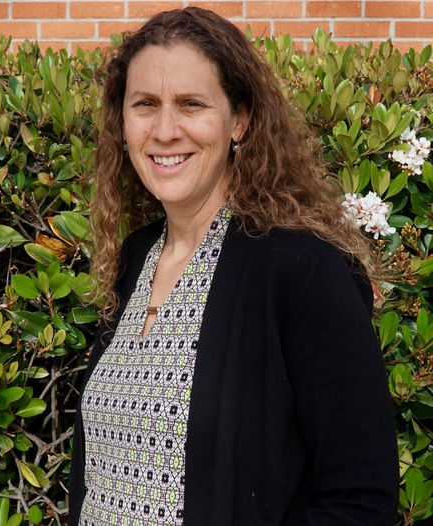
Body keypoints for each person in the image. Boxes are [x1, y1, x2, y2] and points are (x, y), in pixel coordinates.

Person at [68, 7, 399, 525]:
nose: (165, 129)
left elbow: (360, 501)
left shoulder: (302, 270)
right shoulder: (136, 258)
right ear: (123, 122)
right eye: (145, 104)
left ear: (239, 120)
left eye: (191, 104)